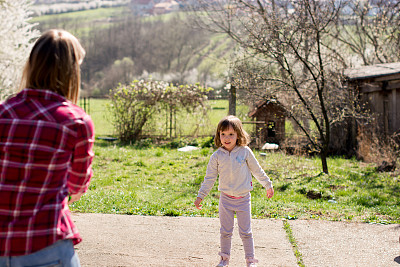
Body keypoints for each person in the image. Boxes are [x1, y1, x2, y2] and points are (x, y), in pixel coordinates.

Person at [0, 29, 94, 266]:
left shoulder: (3, 113)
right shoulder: (77, 122)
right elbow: (77, 186)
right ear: (72, 71)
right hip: (46, 243)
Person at [194, 115, 274, 267]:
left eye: (231, 134)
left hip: (243, 199)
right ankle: (224, 259)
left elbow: (257, 170)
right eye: (223, 134)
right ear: (218, 135)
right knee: (225, 231)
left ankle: (250, 260)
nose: (227, 138)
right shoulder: (217, 156)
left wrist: (267, 185)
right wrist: (200, 196)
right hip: (225, 200)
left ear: (238, 134)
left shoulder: (245, 152)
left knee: (246, 232)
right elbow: (209, 178)